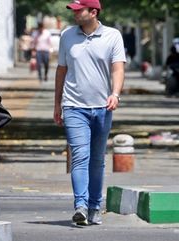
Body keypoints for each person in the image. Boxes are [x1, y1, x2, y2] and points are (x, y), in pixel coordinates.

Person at [53, 0, 126, 226]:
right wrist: (57, 104)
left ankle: (95, 205)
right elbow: (61, 70)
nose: (74, 13)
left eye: (78, 9)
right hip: (74, 107)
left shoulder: (113, 36)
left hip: (103, 108)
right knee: (80, 156)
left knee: (96, 160)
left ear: (93, 12)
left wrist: (115, 93)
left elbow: (118, 68)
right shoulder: (67, 36)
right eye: (73, 10)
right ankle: (81, 206)